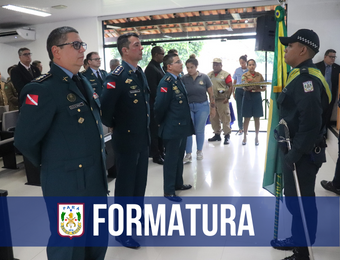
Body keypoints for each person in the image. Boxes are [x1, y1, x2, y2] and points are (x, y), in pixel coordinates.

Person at [14, 26, 109, 260]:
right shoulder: (41, 88)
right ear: (56, 51)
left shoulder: (82, 81)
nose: (82, 50)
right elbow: (25, 140)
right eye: (75, 45)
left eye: (82, 44)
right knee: (69, 243)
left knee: (96, 239)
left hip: (94, 179)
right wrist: (53, 165)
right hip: (66, 185)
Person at [271, 29, 331, 260]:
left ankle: (303, 253)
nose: (286, 50)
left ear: (303, 49)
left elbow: (310, 123)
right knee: (295, 199)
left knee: (302, 201)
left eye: (289, 46)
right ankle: (298, 240)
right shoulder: (299, 74)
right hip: (296, 150)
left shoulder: (307, 79)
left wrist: (293, 154)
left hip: (302, 154)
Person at [100, 32, 150, 249]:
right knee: (126, 186)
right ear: (125, 51)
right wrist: (119, 125)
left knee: (139, 184)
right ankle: (122, 231)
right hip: (127, 138)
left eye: (140, 44)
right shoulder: (116, 77)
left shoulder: (139, 73)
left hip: (142, 137)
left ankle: (135, 220)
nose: (141, 48)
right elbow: (105, 111)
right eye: (136, 45)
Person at [154, 53, 194, 202]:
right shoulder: (166, 82)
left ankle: (178, 183)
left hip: (181, 127)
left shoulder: (177, 80)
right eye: (178, 62)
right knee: (171, 160)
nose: (181, 64)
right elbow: (159, 106)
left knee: (179, 158)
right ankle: (169, 191)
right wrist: (162, 122)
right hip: (172, 126)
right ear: (169, 66)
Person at [182, 54, 215, 163]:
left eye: (191, 67)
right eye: (187, 67)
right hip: (188, 107)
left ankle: (199, 151)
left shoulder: (204, 77)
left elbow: (211, 93)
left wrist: (213, 108)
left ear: (196, 66)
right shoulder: (183, 79)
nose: (189, 69)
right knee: (188, 130)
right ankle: (188, 154)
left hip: (202, 106)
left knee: (199, 130)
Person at [144, 46, 165, 165]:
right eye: (162, 54)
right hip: (154, 105)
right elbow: (153, 89)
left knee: (160, 131)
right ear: (156, 54)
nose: (163, 55)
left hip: (160, 104)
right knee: (155, 132)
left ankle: (161, 152)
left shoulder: (158, 67)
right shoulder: (151, 69)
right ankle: (156, 155)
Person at [207, 58, 233, 145]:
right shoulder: (209, 75)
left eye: (217, 64)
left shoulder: (226, 75)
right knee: (213, 118)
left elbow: (230, 86)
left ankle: (227, 136)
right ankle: (217, 134)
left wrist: (228, 97)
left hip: (223, 100)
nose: (215, 66)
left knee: (225, 118)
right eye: (214, 64)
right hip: (213, 100)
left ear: (221, 65)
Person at [241, 59, 266, 146]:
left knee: (257, 118)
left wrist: (257, 89)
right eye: (250, 65)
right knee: (246, 117)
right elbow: (244, 85)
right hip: (247, 96)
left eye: (253, 64)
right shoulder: (244, 75)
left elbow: (264, 87)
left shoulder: (259, 75)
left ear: (255, 65)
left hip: (256, 97)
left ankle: (257, 137)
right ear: (247, 66)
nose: (251, 66)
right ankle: (244, 136)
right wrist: (248, 87)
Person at [315, 49, 340, 127]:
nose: (333, 58)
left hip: (331, 94)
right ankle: (317, 129)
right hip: (319, 94)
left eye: (334, 57)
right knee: (318, 112)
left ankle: (325, 131)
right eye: (331, 56)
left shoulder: (337, 68)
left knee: (328, 112)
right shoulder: (316, 66)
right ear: (325, 57)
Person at [232, 55, 248, 135]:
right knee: (239, 109)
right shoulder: (237, 70)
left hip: (247, 90)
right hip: (238, 90)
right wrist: (233, 92)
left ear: (246, 62)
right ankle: (240, 128)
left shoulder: (249, 70)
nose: (242, 64)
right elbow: (234, 82)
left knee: (246, 109)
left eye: (243, 62)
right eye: (240, 63)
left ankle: (246, 128)